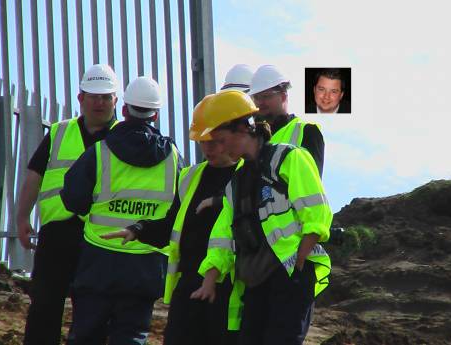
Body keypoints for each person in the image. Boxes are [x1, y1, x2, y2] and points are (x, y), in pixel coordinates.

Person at [191, 90, 333, 345]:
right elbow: (222, 236)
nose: (219, 149)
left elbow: (316, 211)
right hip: (256, 282)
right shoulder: (235, 183)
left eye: (221, 140)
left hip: (289, 274)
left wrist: (299, 261)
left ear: (242, 130)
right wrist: (209, 280)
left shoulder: (290, 158)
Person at [101, 94, 239, 345]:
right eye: (202, 141)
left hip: (229, 285)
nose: (207, 148)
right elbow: (172, 222)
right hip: (188, 283)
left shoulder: (246, 175)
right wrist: (138, 229)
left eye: (214, 141)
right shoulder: (190, 176)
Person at [60, 76, 183, 344]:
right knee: (131, 335)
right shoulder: (173, 158)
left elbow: (72, 198)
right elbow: (179, 210)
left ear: (124, 109)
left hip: (98, 259)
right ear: (156, 114)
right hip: (146, 264)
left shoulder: (100, 151)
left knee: (86, 335)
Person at [16, 63, 119, 345]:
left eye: (105, 96)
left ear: (116, 101)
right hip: (57, 234)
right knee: (44, 307)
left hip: (99, 239)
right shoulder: (60, 132)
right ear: (80, 98)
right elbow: (33, 176)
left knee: (93, 314)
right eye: (93, 96)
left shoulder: (123, 139)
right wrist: (22, 218)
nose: (99, 102)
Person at [249, 64, 325, 176]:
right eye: (256, 97)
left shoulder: (307, 132)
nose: (260, 102)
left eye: (266, 96)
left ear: (283, 96)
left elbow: (311, 182)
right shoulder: (251, 137)